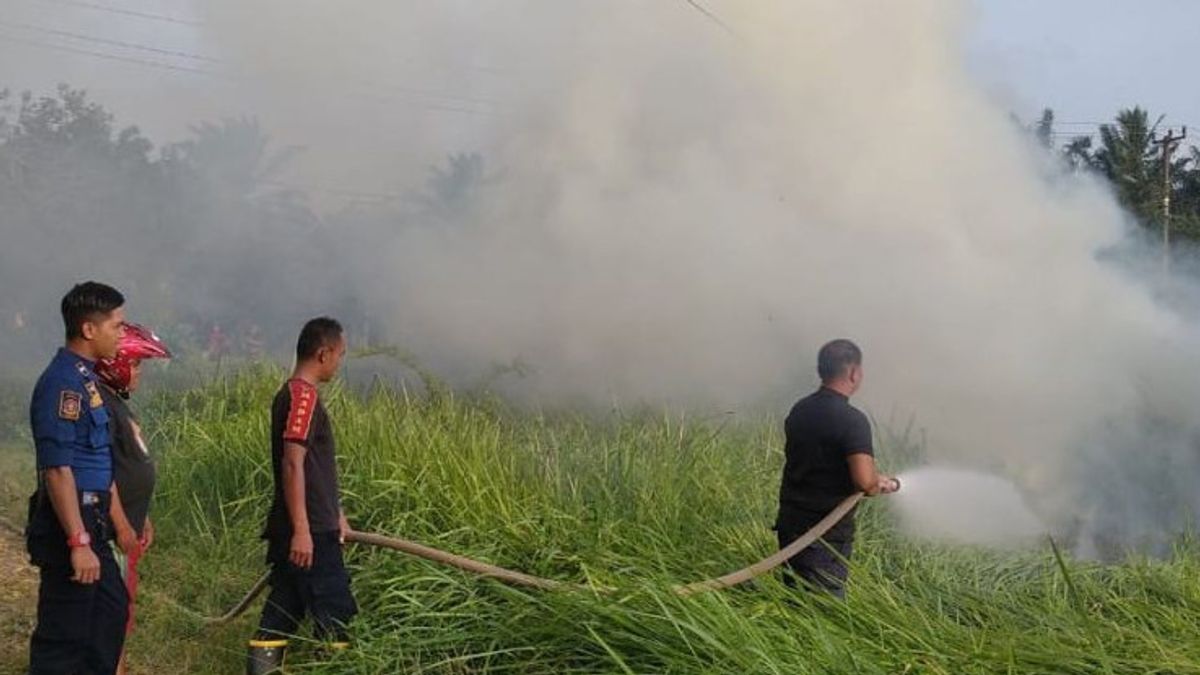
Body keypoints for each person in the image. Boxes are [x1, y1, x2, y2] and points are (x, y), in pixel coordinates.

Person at [26, 281, 128, 674]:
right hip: (73, 520)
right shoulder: (62, 383)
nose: (121, 333)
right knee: (66, 633)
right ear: (89, 329)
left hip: (94, 517)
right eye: (116, 325)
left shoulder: (86, 379)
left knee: (108, 614)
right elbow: (57, 467)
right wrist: (77, 540)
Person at [247, 317, 356, 674]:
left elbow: (315, 469)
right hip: (309, 533)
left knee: (284, 608)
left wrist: (336, 511)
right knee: (335, 614)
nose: (339, 362)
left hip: (307, 526)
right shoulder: (303, 397)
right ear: (323, 353)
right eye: (339, 354)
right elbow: (293, 464)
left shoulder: (295, 394)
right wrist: (304, 531)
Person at [774, 339, 899, 598]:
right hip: (825, 537)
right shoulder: (853, 421)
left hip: (791, 525)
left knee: (794, 601)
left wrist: (873, 480)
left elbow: (821, 461)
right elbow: (865, 483)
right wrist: (879, 483)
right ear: (854, 372)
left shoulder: (800, 409)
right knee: (823, 614)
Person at [95, 322, 172, 674]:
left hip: (128, 525)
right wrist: (124, 524)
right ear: (117, 362)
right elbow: (102, 471)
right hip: (112, 535)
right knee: (110, 617)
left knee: (120, 614)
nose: (139, 373)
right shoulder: (101, 405)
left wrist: (142, 516)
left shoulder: (116, 403)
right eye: (136, 364)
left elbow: (128, 468)